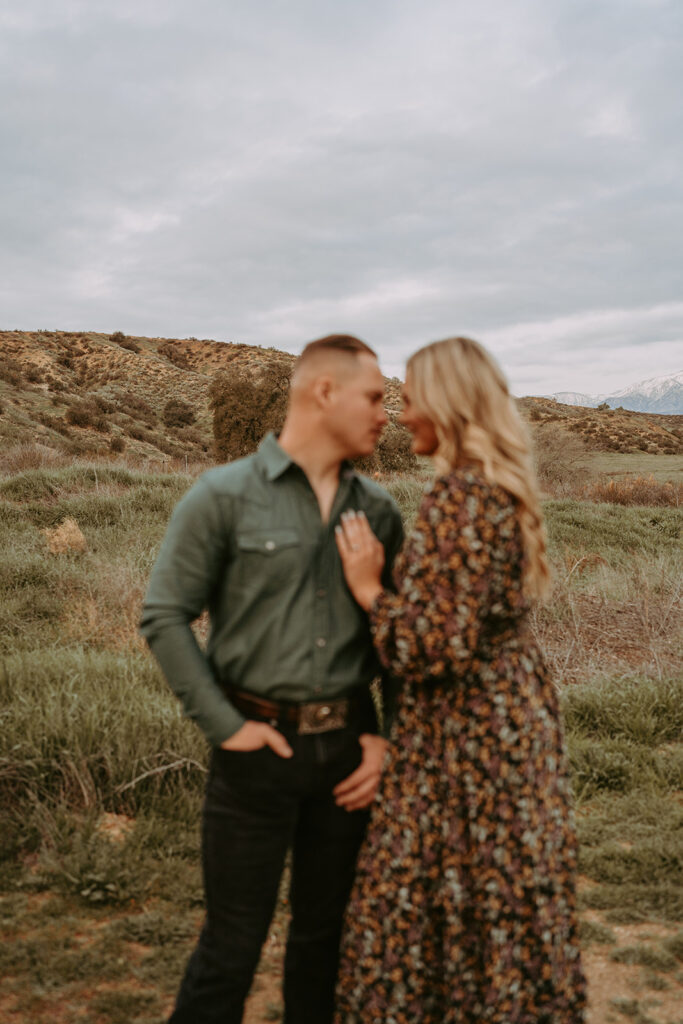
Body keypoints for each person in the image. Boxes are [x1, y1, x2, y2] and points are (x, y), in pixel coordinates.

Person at [140, 334, 404, 1024]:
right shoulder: (221, 496)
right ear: (324, 392)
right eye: (375, 397)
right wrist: (226, 728)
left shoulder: (379, 510)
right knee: (230, 949)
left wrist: (390, 741)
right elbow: (165, 617)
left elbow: (400, 636)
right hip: (253, 757)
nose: (387, 414)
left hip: (349, 758)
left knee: (324, 944)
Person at [333, 337, 587, 1024]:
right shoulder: (492, 486)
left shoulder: (460, 496)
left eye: (410, 397)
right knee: (500, 886)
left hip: (469, 735)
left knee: (439, 888)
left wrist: (367, 591)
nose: (400, 411)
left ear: (445, 405)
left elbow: (430, 647)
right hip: (507, 718)